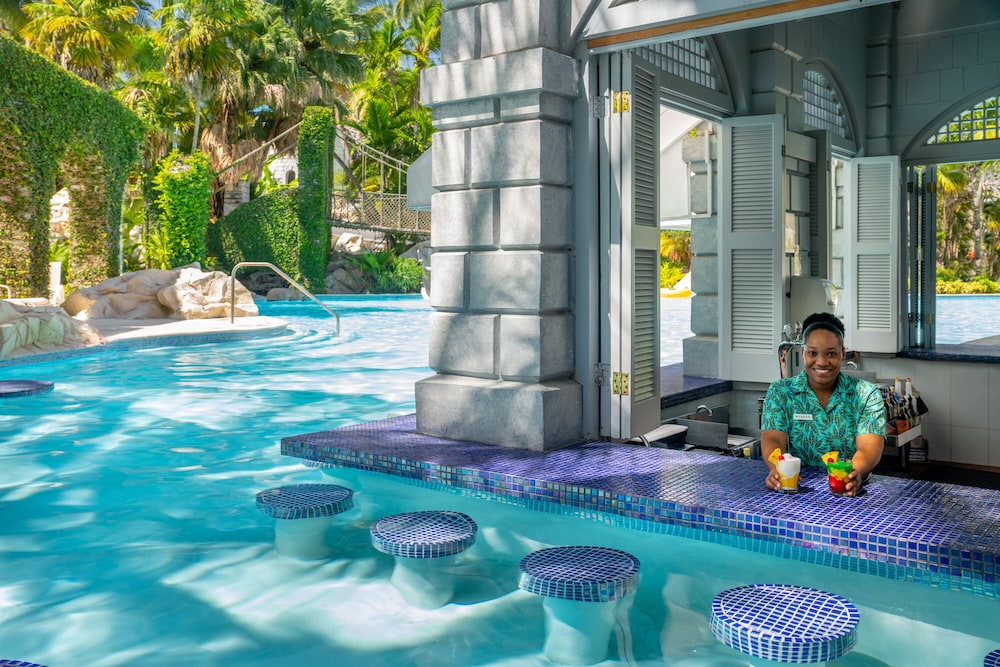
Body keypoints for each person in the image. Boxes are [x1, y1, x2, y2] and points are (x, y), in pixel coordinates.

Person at [760, 312, 885, 496]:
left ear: (843, 353)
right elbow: (773, 439)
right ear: (803, 353)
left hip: (848, 490)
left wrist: (848, 475)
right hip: (798, 489)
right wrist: (778, 469)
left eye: (831, 354)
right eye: (812, 353)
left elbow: (869, 447)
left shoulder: (866, 394)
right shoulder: (781, 392)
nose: (821, 362)